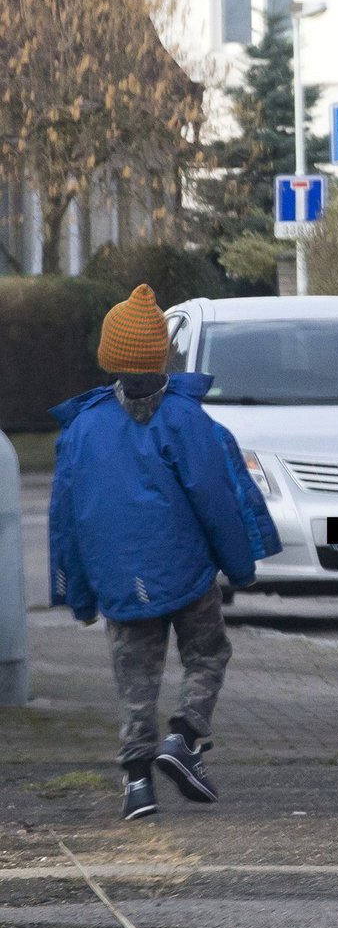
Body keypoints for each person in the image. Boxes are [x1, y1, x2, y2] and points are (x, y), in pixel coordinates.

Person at [49, 283, 280, 821]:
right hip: (187, 573)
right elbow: (217, 497)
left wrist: (77, 592)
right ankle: (184, 736)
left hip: (119, 580)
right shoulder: (185, 419)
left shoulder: (82, 429)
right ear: (161, 356)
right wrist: (241, 564)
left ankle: (136, 787)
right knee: (207, 655)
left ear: (109, 357)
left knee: (135, 678)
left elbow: (67, 519)